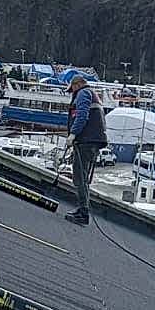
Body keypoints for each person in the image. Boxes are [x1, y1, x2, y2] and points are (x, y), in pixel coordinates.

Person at [64, 75, 108, 225]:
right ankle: (83, 209)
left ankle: (83, 212)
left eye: (72, 89)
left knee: (79, 176)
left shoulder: (83, 93)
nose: (72, 93)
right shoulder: (92, 94)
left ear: (77, 84)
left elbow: (81, 116)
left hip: (86, 141)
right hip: (93, 141)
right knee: (84, 176)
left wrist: (73, 134)